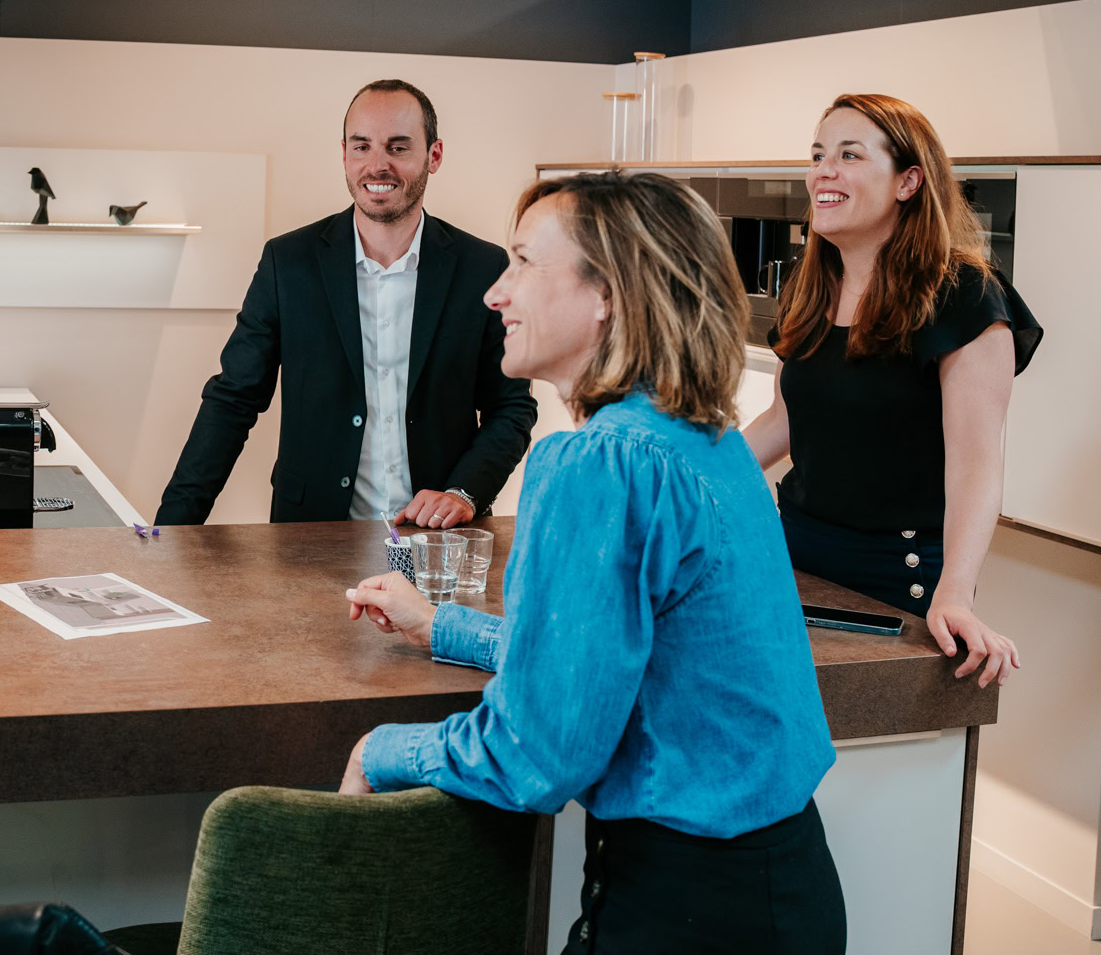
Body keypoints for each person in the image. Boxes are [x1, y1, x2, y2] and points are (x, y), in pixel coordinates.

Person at [342, 171, 844, 955]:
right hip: (787, 890)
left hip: (683, 914)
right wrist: (445, 626)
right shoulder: (708, 442)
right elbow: (619, 668)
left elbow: (538, 753)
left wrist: (384, 748)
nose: (494, 294)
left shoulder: (595, 466)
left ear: (606, 293)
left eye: (521, 263)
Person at [745, 93, 1039, 687]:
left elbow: (976, 464)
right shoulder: (811, 284)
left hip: (899, 574)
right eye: (818, 154)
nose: (823, 171)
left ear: (909, 181)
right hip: (794, 553)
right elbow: (787, 415)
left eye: (850, 155)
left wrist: (955, 594)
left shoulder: (964, 294)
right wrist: (687, 474)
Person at [156, 80, 537, 528]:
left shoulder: (483, 266)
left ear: (433, 156)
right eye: (362, 147)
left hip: (439, 539)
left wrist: (464, 492)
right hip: (311, 536)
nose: (377, 165)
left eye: (398, 148)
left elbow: (512, 406)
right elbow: (233, 399)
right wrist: (171, 531)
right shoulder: (289, 263)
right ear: (343, 154)